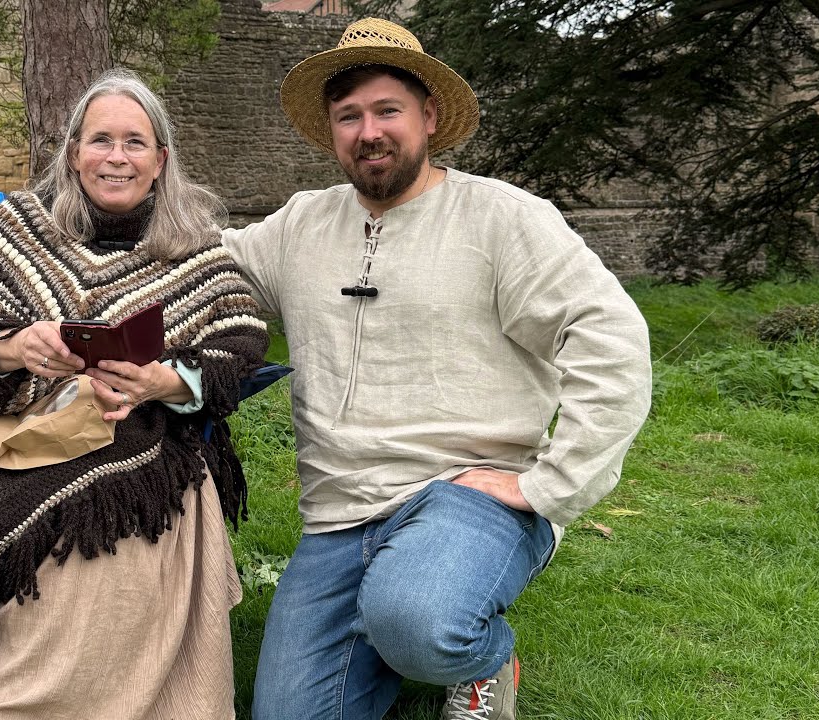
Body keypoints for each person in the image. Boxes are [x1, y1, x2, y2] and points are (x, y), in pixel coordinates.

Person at [221, 17, 653, 720]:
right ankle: (401, 616)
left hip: (466, 494)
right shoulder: (299, 225)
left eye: (387, 110)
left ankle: (481, 659)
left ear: (427, 117)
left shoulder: (502, 219)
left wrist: (553, 484)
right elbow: (204, 266)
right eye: (349, 116)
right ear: (332, 131)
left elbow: (611, 338)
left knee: (420, 622)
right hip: (337, 516)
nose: (369, 132)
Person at [0, 68, 269, 720]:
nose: (117, 157)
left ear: (161, 159)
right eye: (101, 140)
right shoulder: (19, 228)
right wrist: (14, 345)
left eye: (135, 143)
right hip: (6, 418)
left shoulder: (195, 248)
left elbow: (239, 346)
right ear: (74, 151)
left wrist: (167, 381)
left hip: (132, 435)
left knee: (94, 535)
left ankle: (47, 701)